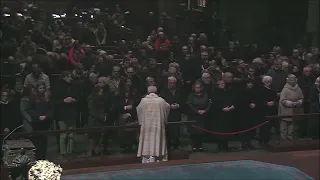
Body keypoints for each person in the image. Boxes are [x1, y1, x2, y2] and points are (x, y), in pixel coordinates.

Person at [136, 86, 170, 163]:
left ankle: (146, 158)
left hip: (146, 125)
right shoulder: (161, 101)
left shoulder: (144, 101)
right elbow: (168, 107)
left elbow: (138, 109)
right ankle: (158, 157)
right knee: (157, 139)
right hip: (158, 124)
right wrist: (164, 120)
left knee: (147, 141)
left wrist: (141, 122)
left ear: (148, 92)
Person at [278, 74, 304, 141]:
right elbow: (282, 100)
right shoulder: (285, 89)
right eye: (291, 80)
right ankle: (283, 139)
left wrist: (299, 102)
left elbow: (301, 98)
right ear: (288, 80)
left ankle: (290, 138)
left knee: (292, 126)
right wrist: (291, 103)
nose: (293, 81)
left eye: (294, 80)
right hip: (285, 110)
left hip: (295, 110)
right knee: (284, 125)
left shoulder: (298, 88)